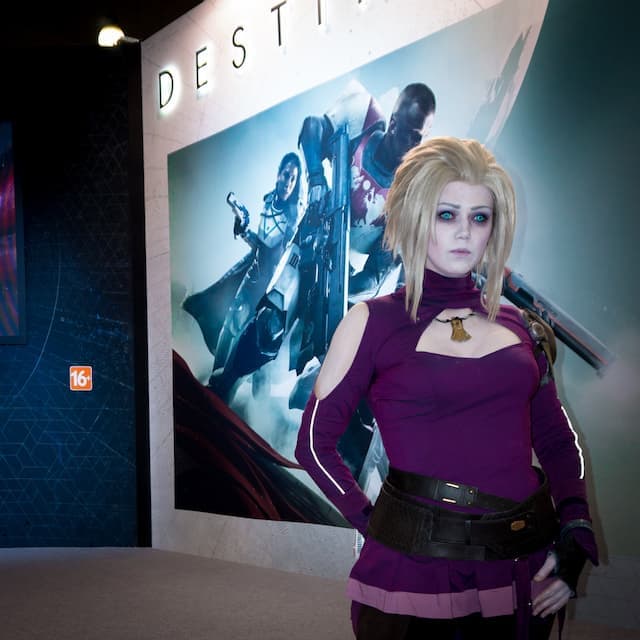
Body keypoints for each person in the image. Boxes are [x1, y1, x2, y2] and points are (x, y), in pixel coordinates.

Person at [295, 137, 598, 639]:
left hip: (523, 564)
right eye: (446, 215)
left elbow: (557, 441)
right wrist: (374, 522)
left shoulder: (520, 325)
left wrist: (576, 529)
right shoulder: (372, 321)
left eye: (480, 218)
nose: (464, 232)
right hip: (417, 572)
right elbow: (312, 443)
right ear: (415, 217)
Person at [299, 79, 436, 300]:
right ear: (393, 124)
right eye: (412, 135)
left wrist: (339, 290)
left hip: (344, 270)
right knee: (276, 304)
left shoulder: (408, 197)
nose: (415, 145)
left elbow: (375, 274)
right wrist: (316, 178)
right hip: (312, 231)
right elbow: (313, 127)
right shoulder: (364, 116)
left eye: (420, 138)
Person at [182, 152, 303, 400]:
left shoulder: (294, 215)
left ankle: (245, 407)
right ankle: (214, 386)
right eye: (286, 175)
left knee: (258, 355)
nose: (288, 182)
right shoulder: (268, 201)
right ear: (278, 174)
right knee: (230, 328)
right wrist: (244, 230)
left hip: (271, 291)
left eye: (293, 179)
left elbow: (281, 255)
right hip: (252, 278)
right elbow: (261, 246)